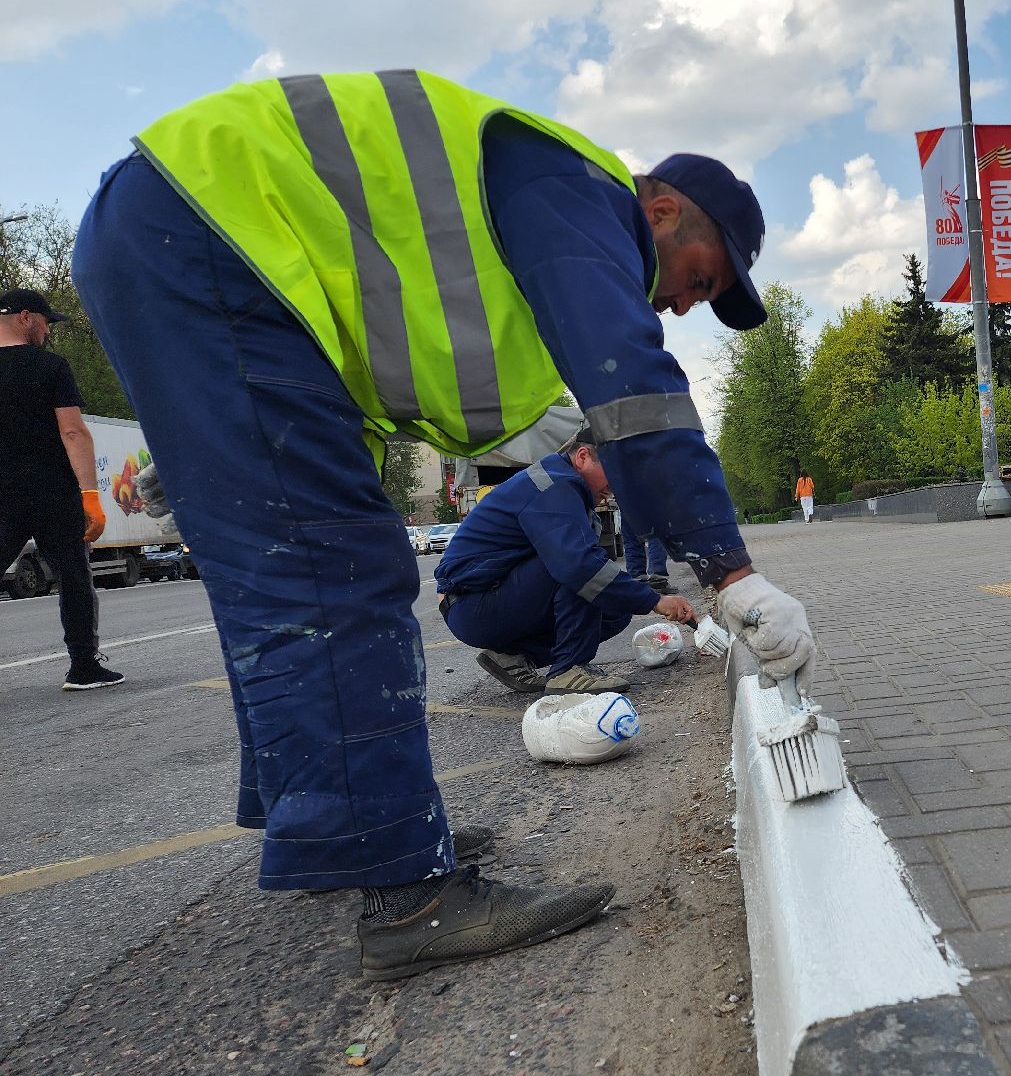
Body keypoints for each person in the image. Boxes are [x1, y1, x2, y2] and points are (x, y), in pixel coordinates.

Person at [72, 70, 815, 981]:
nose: (690, 303)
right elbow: (634, 395)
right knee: (334, 570)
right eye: (704, 277)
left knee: (290, 565)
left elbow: (595, 418)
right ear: (663, 209)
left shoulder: (540, 210)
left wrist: (184, 447)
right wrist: (733, 572)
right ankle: (409, 896)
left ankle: (352, 826)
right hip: (210, 234)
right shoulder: (576, 194)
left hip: (192, 240)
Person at [436, 428, 697, 694]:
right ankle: (569, 670)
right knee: (579, 570)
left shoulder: (562, 485)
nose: (617, 489)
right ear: (583, 457)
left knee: (615, 610)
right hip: (472, 604)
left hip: (486, 602)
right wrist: (656, 601)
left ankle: (512, 657)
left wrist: (642, 595)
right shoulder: (555, 485)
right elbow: (579, 566)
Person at [0, 289, 124, 691]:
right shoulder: (49, 367)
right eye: (45, 321)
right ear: (24, 317)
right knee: (72, 575)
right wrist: (90, 496)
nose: (47, 330)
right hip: (53, 492)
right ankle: (83, 666)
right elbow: (73, 432)